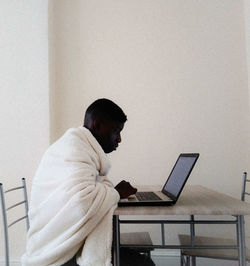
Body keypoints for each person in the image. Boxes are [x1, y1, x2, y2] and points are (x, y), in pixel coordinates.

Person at [22, 99, 155, 266]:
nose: (119, 139)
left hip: (63, 243)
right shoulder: (74, 149)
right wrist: (116, 193)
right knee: (145, 264)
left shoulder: (78, 146)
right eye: (116, 130)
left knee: (138, 260)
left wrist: (110, 191)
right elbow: (81, 204)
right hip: (57, 253)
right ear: (97, 125)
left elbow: (84, 194)